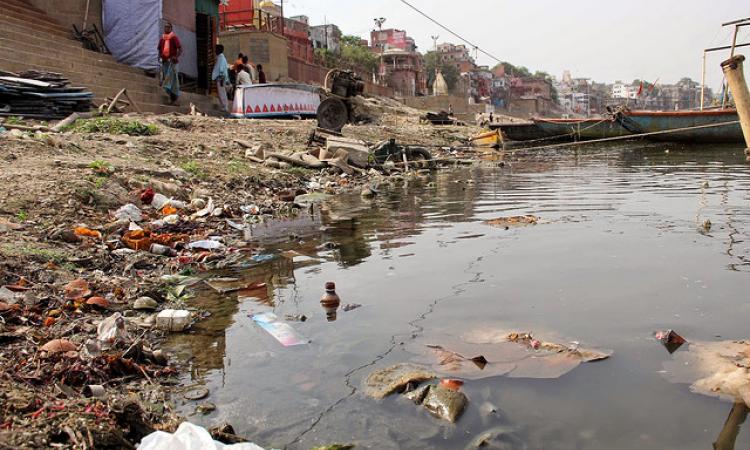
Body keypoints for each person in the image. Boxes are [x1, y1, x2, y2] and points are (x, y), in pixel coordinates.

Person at [157, 22, 182, 104]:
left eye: (168, 27)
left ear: (171, 29)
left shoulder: (174, 38)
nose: (166, 29)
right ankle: (171, 97)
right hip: (165, 62)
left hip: (172, 62)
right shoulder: (162, 39)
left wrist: (176, 56)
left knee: (173, 80)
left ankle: (174, 99)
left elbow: (180, 49)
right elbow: (159, 49)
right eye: (165, 27)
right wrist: (160, 57)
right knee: (166, 79)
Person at [212, 44, 229, 112]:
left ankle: (225, 106)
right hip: (221, 78)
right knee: (222, 92)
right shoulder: (220, 57)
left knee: (221, 92)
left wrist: (221, 77)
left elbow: (221, 69)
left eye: (216, 49)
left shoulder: (221, 58)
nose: (215, 51)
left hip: (220, 78)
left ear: (218, 50)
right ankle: (224, 106)